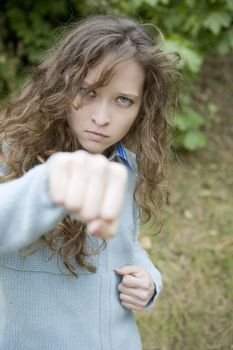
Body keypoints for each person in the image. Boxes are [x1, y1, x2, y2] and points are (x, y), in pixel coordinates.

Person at [0, 14, 178, 350]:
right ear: (60, 85)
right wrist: (48, 185)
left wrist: (149, 280)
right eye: (88, 92)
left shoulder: (127, 166)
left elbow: (125, 245)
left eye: (123, 100)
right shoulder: (9, 155)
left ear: (142, 107)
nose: (101, 118)